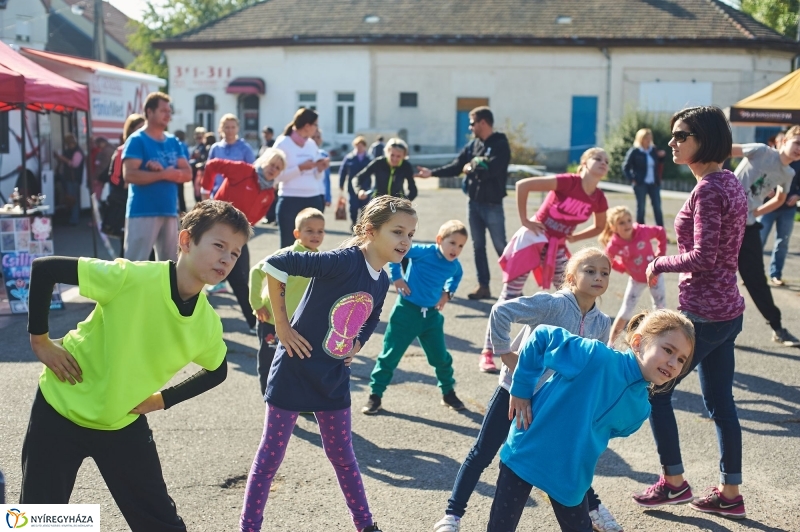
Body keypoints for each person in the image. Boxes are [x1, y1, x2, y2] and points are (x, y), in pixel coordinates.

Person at [21, 200, 252, 531]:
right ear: (186, 241)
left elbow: (218, 371)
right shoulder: (132, 277)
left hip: (121, 422)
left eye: (235, 253)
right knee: (38, 522)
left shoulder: (207, 324)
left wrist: (161, 400)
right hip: (60, 408)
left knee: (161, 524)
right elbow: (45, 269)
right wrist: (40, 342)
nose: (227, 258)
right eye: (219, 245)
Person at [239, 195, 416, 532]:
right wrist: (282, 326)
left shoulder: (381, 277)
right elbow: (275, 265)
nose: (405, 241)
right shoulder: (342, 260)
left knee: (344, 458)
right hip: (294, 370)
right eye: (397, 232)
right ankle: (248, 528)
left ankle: (365, 525)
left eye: (410, 234)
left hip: (333, 376)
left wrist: (358, 343)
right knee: (269, 462)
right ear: (370, 231)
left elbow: (374, 313)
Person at [434, 247, 626, 532]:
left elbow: (591, 366)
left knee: (569, 459)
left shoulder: (602, 322)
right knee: (483, 452)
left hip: (552, 404)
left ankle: (594, 509)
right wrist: (505, 353)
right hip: (513, 393)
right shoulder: (553, 304)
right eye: (590, 271)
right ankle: (452, 515)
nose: (598, 277)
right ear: (572, 277)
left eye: (604, 273)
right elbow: (501, 311)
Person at [634, 106, 749, 519]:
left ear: (705, 139)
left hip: (703, 314)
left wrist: (658, 263)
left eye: (682, 135)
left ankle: (674, 484)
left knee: (655, 391)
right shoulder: (730, 182)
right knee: (721, 404)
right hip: (726, 311)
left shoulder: (709, 189)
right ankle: (730, 493)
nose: (673, 142)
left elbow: (703, 256)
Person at [488, 311, 694, 531]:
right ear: (637, 342)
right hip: (526, 453)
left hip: (570, 474)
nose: (673, 363)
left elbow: (607, 430)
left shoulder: (641, 409)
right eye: (668, 350)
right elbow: (542, 337)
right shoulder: (596, 357)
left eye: (681, 359)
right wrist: (521, 388)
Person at [478, 147, 609, 373]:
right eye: (597, 158)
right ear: (584, 163)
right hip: (534, 238)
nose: (603, 163)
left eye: (606, 161)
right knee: (510, 294)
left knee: (569, 295)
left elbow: (600, 226)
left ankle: (561, 351)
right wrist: (525, 220)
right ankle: (490, 352)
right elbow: (523, 185)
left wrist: (574, 236)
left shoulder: (599, 197)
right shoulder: (568, 182)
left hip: (556, 245)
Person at [362, 220, 468, 416]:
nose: (456, 249)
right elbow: (396, 252)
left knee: (441, 358)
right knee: (390, 355)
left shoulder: (454, 266)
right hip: (406, 312)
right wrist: (397, 277)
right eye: (452, 243)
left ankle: (448, 392)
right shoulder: (424, 252)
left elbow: (457, 276)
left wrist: (448, 293)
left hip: (432, 317)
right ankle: (375, 395)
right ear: (439, 240)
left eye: (461, 246)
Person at [416, 106, 511, 301]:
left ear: (482, 123)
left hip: (493, 205)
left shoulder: (501, 144)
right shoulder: (473, 146)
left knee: (502, 247)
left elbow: (491, 170)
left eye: (472, 123)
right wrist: (432, 173)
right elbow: (457, 166)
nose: (470, 127)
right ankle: (483, 286)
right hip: (474, 204)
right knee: (478, 246)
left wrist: (473, 166)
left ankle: (512, 288)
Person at [729, 126, 800, 346]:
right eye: (797, 142)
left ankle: (778, 328)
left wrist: (757, 211)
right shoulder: (761, 150)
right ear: (783, 141)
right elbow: (723, 149)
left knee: (757, 280)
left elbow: (780, 199)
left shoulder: (789, 173)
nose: (799, 149)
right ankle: (692, 328)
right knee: (710, 274)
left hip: (748, 226)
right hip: (723, 222)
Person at [203, 149, 287, 333]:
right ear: (264, 161)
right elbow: (212, 165)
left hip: (237, 238)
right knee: (202, 271)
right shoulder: (243, 170)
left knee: (241, 277)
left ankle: (252, 322)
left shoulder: (269, 194)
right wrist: (204, 195)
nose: (273, 169)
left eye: (278, 168)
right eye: (272, 164)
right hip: (215, 228)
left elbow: (253, 219)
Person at [249, 207, 325, 396]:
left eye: (320, 231)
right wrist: (256, 303)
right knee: (269, 364)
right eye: (310, 231)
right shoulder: (286, 256)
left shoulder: (322, 259)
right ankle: (271, 402)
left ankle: (297, 403)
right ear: (297, 234)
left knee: (299, 365)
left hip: (300, 325)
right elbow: (256, 272)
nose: (316, 235)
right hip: (272, 321)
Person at [122, 92, 192, 262]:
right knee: (135, 263)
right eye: (163, 111)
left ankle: (165, 291)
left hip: (169, 210)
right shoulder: (137, 140)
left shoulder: (172, 141)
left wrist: (166, 173)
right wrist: (164, 174)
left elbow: (188, 174)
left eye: (169, 111)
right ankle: (132, 290)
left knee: (170, 264)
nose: (168, 115)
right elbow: (129, 174)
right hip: (142, 211)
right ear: (149, 112)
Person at [600, 205, 668, 344]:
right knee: (625, 311)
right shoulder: (614, 244)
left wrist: (659, 259)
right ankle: (610, 344)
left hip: (654, 277)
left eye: (629, 220)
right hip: (636, 280)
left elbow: (661, 232)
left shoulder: (642, 231)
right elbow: (608, 259)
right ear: (613, 227)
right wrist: (624, 269)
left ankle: (660, 341)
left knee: (660, 309)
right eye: (621, 222)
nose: (627, 224)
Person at [273, 107, 330, 248]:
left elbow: (317, 176)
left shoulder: (311, 144)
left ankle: (308, 271)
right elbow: (276, 177)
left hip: (313, 198)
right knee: (287, 246)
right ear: (307, 126)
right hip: (290, 199)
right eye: (315, 125)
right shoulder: (282, 143)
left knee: (312, 246)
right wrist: (301, 168)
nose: (317, 129)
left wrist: (320, 169)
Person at [103, 114, 146, 257]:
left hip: (146, 204)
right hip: (125, 203)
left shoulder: (148, 148)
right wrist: (127, 182)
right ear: (131, 130)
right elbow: (114, 177)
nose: (143, 131)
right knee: (128, 244)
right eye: (140, 128)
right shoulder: (122, 150)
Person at [760, 159, 800, 286]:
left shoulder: (797, 163)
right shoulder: (769, 160)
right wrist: (765, 188)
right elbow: (757, 179)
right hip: (767, 207)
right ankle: (753, 275)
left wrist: (798, 195)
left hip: (788, 208)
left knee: (782, 242)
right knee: (758, 240)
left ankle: (776, 274)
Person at [204, 114, 255, 201]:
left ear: (237, 128)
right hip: (217, 194)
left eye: (233, 127)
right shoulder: (215, 148)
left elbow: (252, 173)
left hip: (238, 196)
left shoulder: (245, 148)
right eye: (227, 127)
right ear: (221, 128)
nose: (230, 130)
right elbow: (208, 172)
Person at [622, 128, 667, 226]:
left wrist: (662, 156)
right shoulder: (635, 151)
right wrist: (632, 180)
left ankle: (661, 230)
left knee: (657, 207)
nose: (648, 140)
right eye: (646, 138)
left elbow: (659, 164)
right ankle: (640, 230)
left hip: (654, 183)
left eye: (650, 137)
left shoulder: (653, 150)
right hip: (640, 183)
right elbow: (625, 167)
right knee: (641, 208)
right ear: (641, 139)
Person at [354, 138, 417, 203]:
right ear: (387, 152)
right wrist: (359, 191)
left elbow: (413, 189)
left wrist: (406, 201)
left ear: (404, 156)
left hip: (397, 204)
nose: (395, 159)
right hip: (378, 203)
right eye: (392, 155)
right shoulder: (379, 162)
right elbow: (357, 177)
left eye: (398, 156)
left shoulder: (406, 166)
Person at [339, 136, 372, 227]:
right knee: (353, 207)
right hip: (352, 187)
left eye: (361, 146)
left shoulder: (369, 158)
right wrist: (341, 183)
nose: (359, 148)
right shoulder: (349, 158)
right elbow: (343, 171)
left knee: (364, 208)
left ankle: (362, 224)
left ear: (364, 146)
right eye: (357, 146)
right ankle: (354, 222)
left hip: (365, 186)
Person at [54, 133, 84, 226]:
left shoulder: (78, 152)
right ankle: (72, 218)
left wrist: (63, 159)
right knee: (70, 199)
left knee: (73, 199)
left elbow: (74, 164)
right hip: (69, 178)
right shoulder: (69, 151)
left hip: (74, 178)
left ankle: (74, 219)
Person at [312, 129, 332, 211]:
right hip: (307, 193)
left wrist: (328, 197)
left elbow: (326, 178)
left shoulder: (324, 155)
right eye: (313, 137)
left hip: (320, 193)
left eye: (318, 137)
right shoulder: (304, 154)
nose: (316, 139)